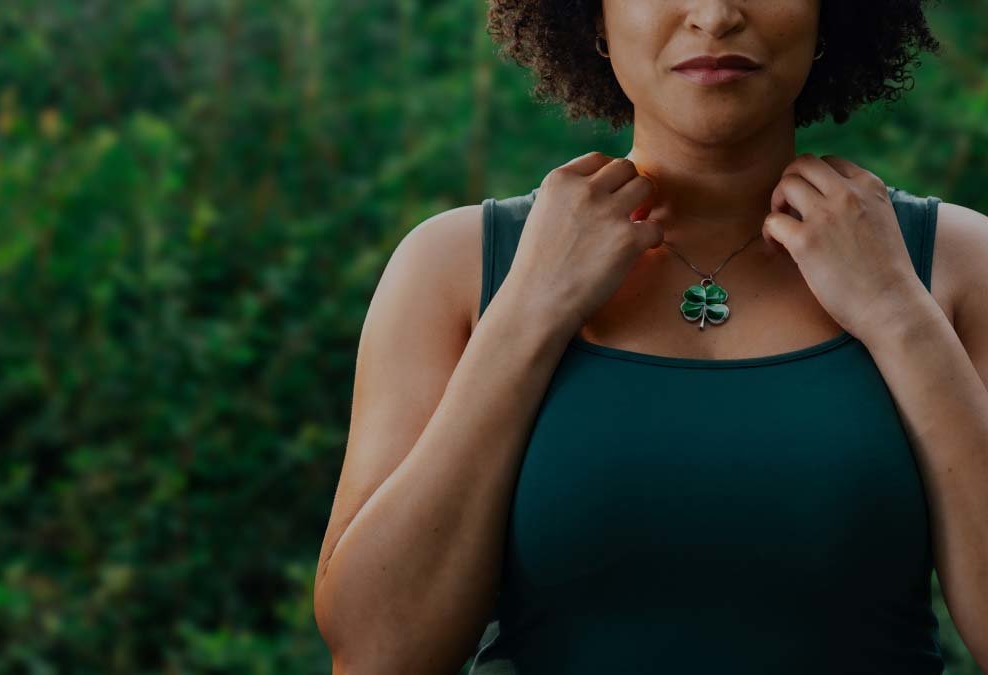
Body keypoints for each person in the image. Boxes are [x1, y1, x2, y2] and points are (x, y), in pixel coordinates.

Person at [313, 1, 988, 673]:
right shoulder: (453, 266)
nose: (716, 14)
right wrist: (527, 310)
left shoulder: (958, 263)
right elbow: (378, 651)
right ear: (592, 18)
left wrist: (900, 313)